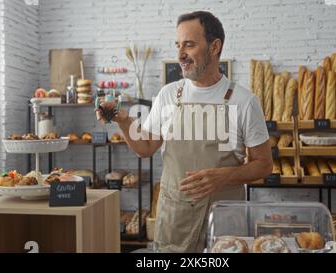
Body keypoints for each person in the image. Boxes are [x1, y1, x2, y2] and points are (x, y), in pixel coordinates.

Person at [96, 11, 272, 253]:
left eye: (189, 45)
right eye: (178, 45)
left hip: (223, 224)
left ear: (215, 47)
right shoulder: (169, 94)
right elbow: (145, 148)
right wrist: (124, 121)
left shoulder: (244, 101)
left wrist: (224, 176)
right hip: (175, 220)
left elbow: (263, 165)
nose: (180, 55)